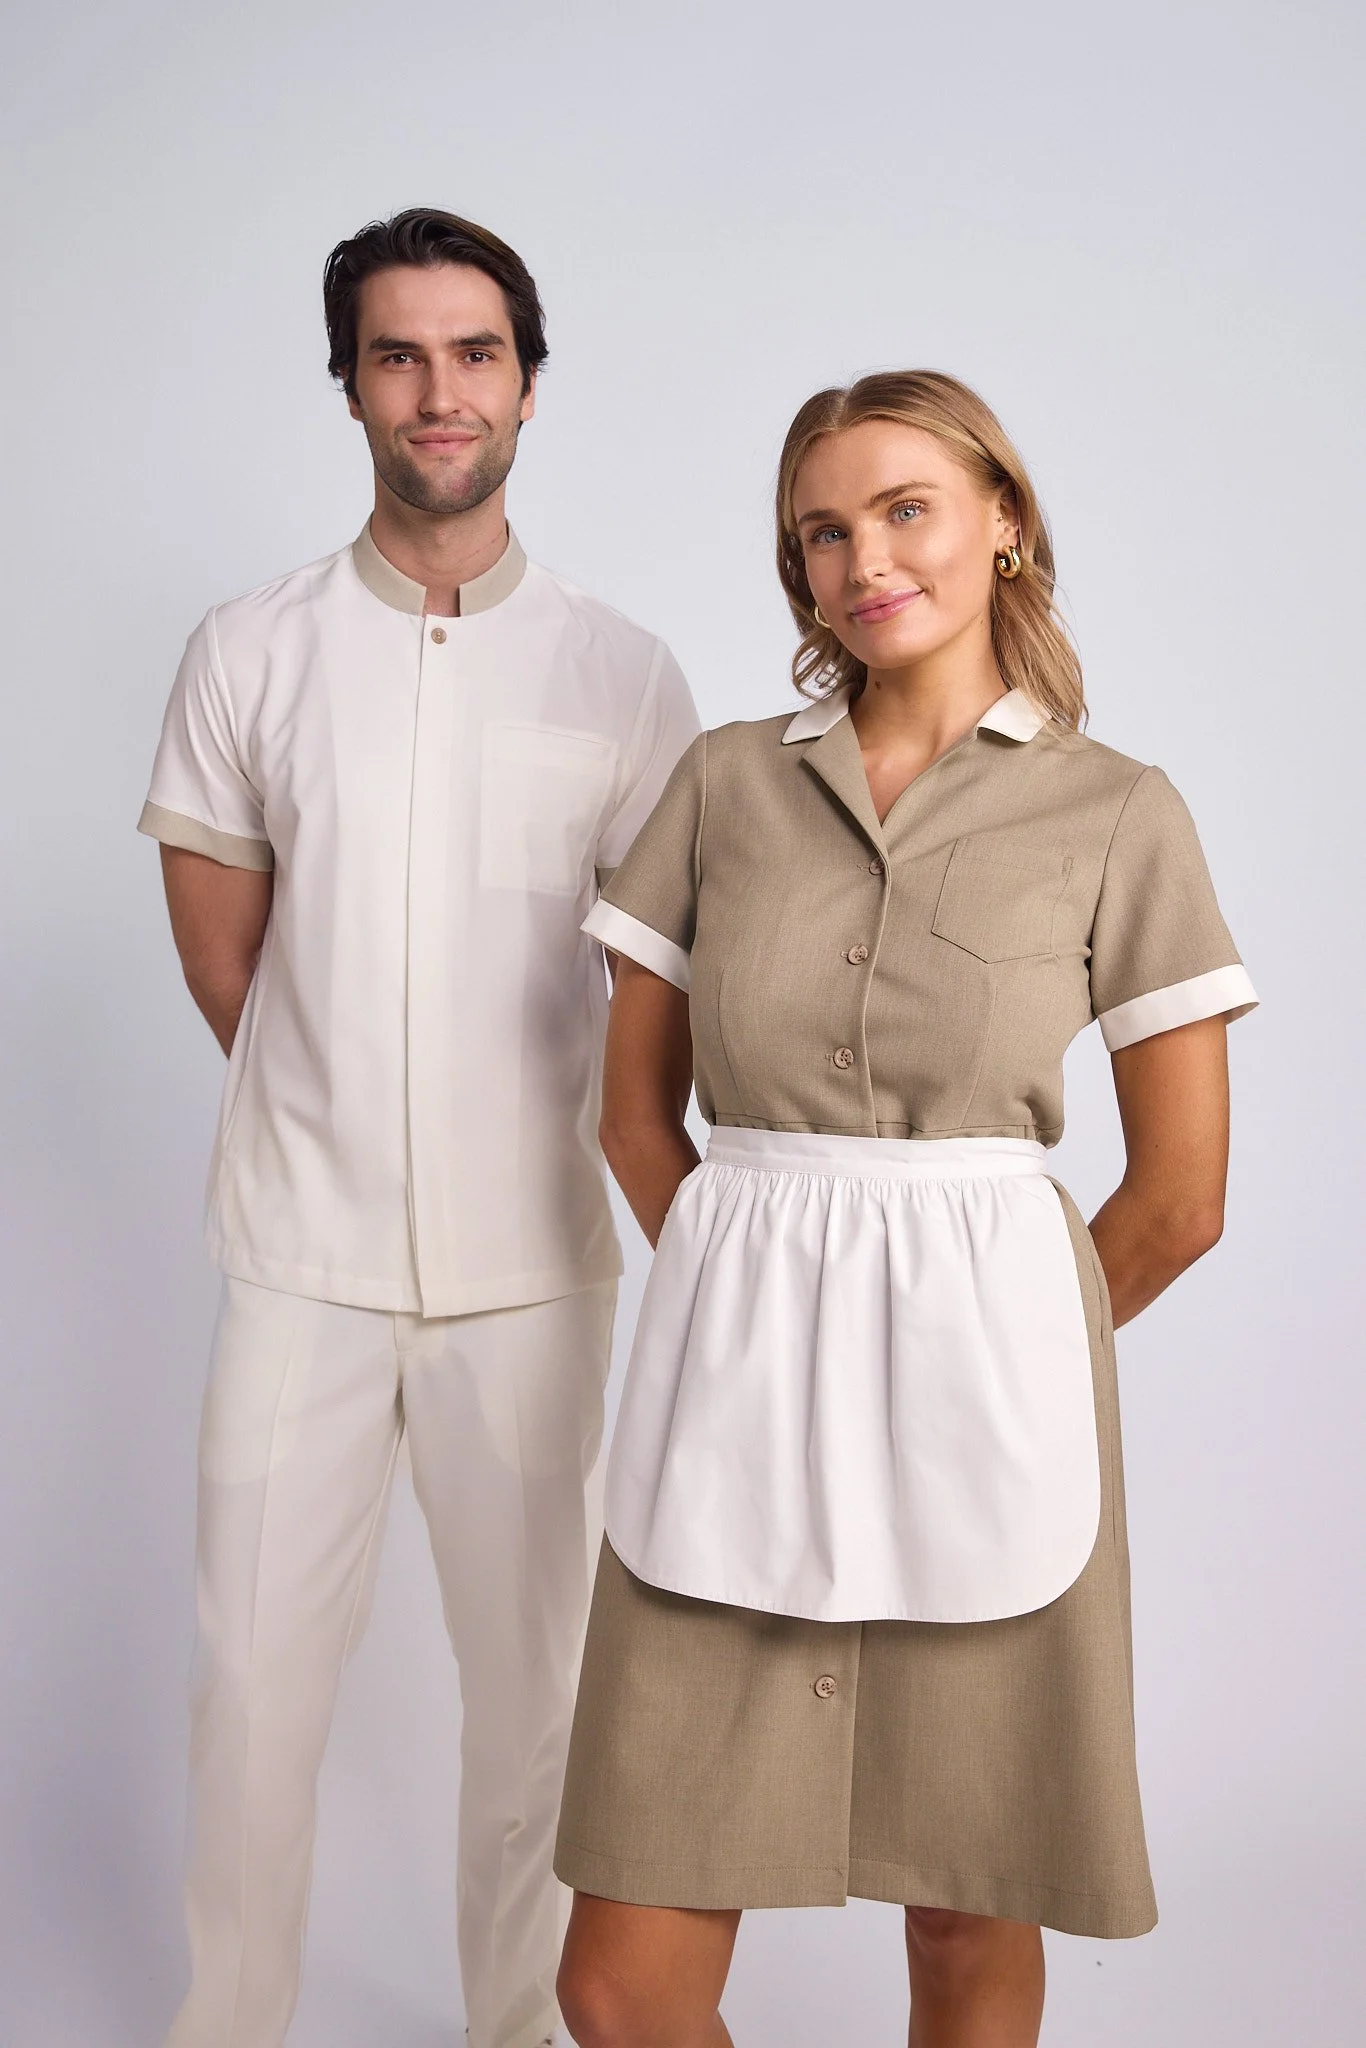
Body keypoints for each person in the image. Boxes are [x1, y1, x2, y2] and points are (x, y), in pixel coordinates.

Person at [550, 370, 1256, 2048]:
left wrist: (998, 1348)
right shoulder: (725, 786)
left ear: (1002, 520)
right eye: (821, 530)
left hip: (992, 1425)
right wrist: (752, 1312)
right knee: (615, 1980)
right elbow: (632, 1117)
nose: (863, 559)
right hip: (730, 1411)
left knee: (962, 1920)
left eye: (904, 508)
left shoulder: (1116, 813)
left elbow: (1179, 1198)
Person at [139, 207, 697, 2048]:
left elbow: (652, 1006)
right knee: (251, 1701)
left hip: (535, 1276)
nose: (437, 390)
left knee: (538, 1713)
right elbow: (233, 968)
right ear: (350, 386)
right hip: (296, 1266)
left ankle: (515, 2036)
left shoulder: (624, 679)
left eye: (473, 353)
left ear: (526, 382)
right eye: (398, 353)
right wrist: (347, 1118)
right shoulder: (252, 651)